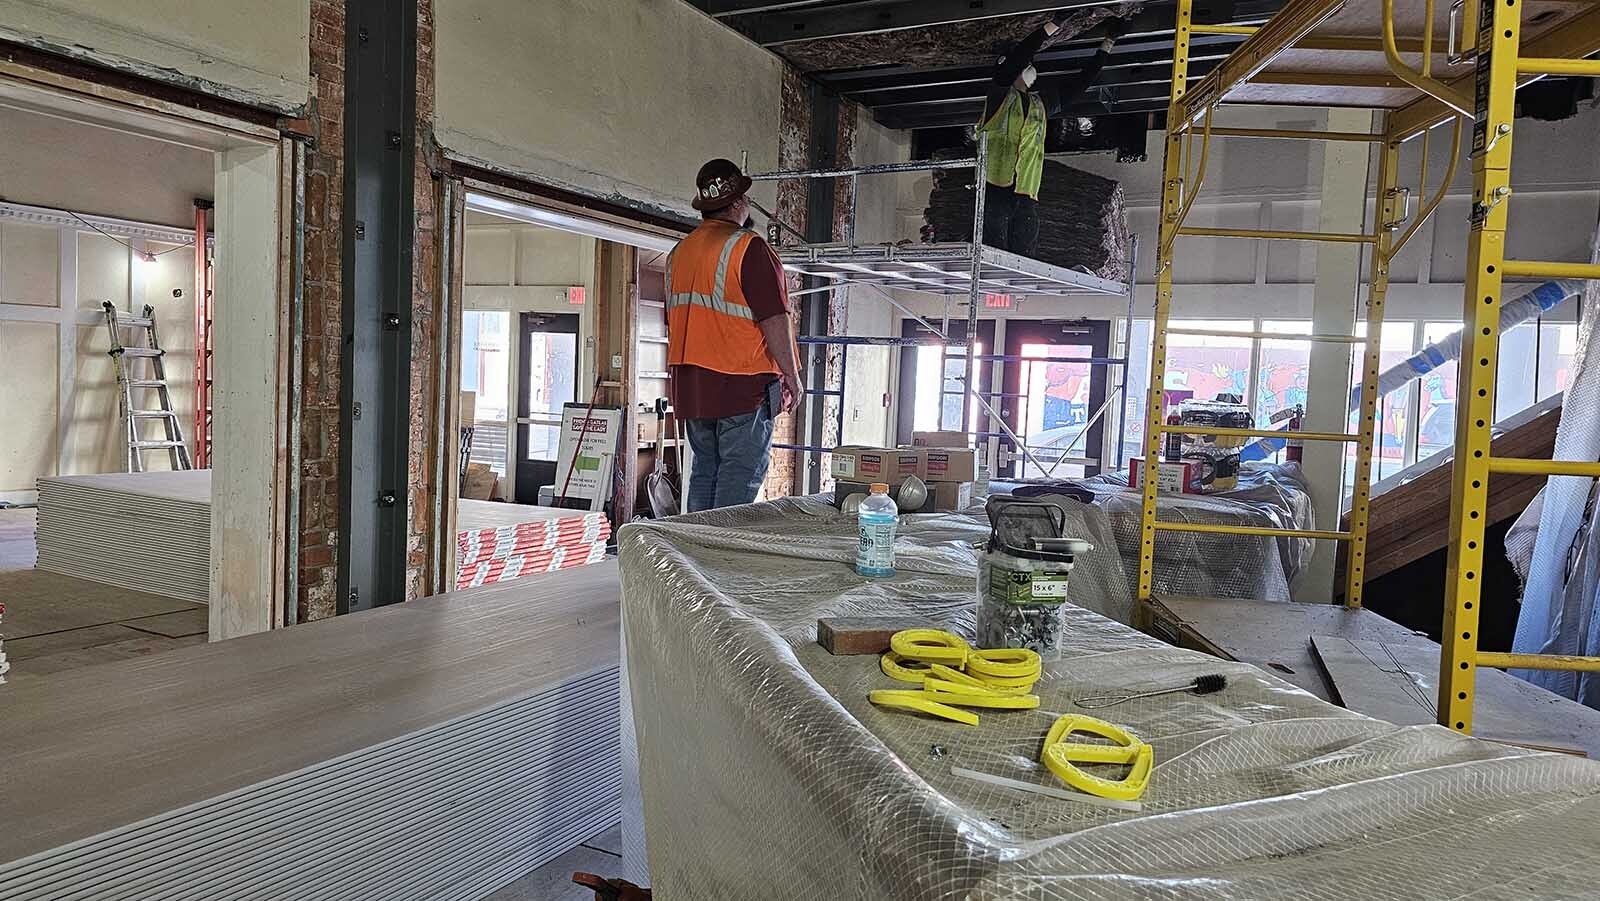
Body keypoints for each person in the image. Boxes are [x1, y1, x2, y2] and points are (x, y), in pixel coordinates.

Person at [666, 158, 804, 512]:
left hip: (693, 387)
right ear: (740, 202)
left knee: (705, 471)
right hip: (741, 384)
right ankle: (719, 556)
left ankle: (695, 554)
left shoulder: (679, 254)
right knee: (739, 474)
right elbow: (774, 318)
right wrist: (791, 374)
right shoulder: (749, 248)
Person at [979, 14, 1126, 256]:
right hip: (994, 189)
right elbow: (1021, 54)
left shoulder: (1040, 104)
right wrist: (1055, 23)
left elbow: (1079, 86)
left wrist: (1107, 43)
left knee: (1023, 256)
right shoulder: (999, 97)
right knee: (994, 254)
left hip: (1026, 193)